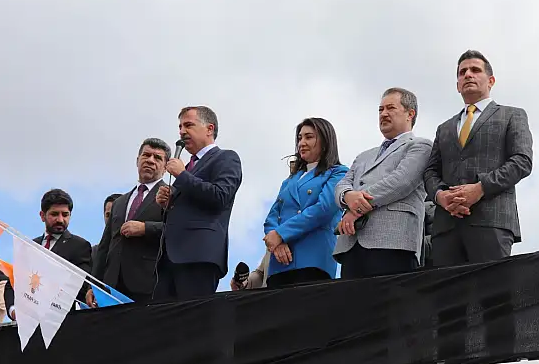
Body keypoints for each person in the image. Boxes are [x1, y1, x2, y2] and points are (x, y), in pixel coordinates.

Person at [423, 50, 533, 362]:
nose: (468, 75)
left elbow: (522, 161)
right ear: (457, 84)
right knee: (448, 308)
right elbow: (430, 172)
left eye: (475, 70)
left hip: (491, 221)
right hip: (447, 226)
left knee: (495, 301)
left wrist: (479, 189)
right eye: (462, 72)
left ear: (490, 80)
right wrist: (442, 197)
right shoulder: (444, 128)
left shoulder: (512, 115)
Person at [333, 87, 432, 279]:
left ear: (410, 114)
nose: (383, 114)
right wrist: (347, 196)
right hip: (352, 243)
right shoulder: (363, 156)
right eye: (380, 109)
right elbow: (341, 185)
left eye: (390, 108)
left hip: (393, 242)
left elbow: (400, 182)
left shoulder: (420, 146)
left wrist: (356, 208)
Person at [155, 106, 243, 300]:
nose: (182, 131)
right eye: (180, 127)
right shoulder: (188, 167)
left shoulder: (226, 158)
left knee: (194, 317)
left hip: (199, 256)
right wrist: (169, 203)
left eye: (188, 125)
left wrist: (182, 175)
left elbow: (220, 196)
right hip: (169, 259)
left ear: (209, 129)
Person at [262, 117, 348, 288]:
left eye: (309, 137)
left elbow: (323, 210)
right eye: (300, 138)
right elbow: (273, 216)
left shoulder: (338, 173)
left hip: (313, 260)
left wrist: (281, 234)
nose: (302, 143)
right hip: (280, 264)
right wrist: (277, 243)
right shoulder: (289, 181)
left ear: (325, 141)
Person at [93, 138, 171, 303]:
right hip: (111, 287)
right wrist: (94, 286)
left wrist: (145, 228)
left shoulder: (170, 196)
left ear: (165, 167)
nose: (150, 160)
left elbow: (177, 231)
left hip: (148, 287)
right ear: (137, 160)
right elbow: (105, 246)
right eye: (146, 155)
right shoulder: (120, 202)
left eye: (157, 158)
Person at [92, 193, 122, 259]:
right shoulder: (94, 253)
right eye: (108, 215)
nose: (111, 219)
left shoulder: (137, 250)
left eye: (115, 214)